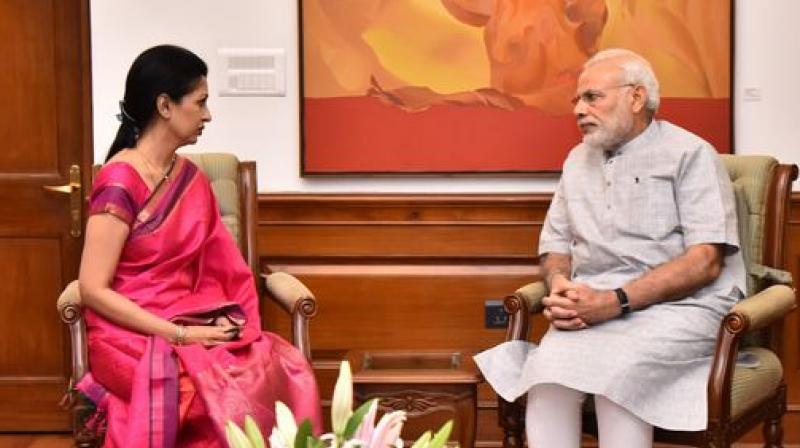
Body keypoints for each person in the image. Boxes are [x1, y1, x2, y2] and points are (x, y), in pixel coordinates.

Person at [475, 48, 745, 447]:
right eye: (576, 101)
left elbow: (705, 262)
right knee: (546, 377)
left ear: (636, 97)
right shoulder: (575, 161)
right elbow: (554, 246)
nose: (579, 110)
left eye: (592, 97)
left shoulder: (691, 154)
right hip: (592, 306)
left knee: (618, 376)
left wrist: (615, 300)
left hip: (681, 308)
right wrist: (561, 285)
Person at [76, 45, 322, 447]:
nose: (208, 115)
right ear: (165, 105)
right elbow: (93, 289)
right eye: (201, 102)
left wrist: (211, 325)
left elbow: (221, 266)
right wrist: (178, 335)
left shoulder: (187, 177)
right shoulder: (120, 181)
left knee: (277, 365)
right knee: (200, 389)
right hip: (127, 330)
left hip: (189, 314)